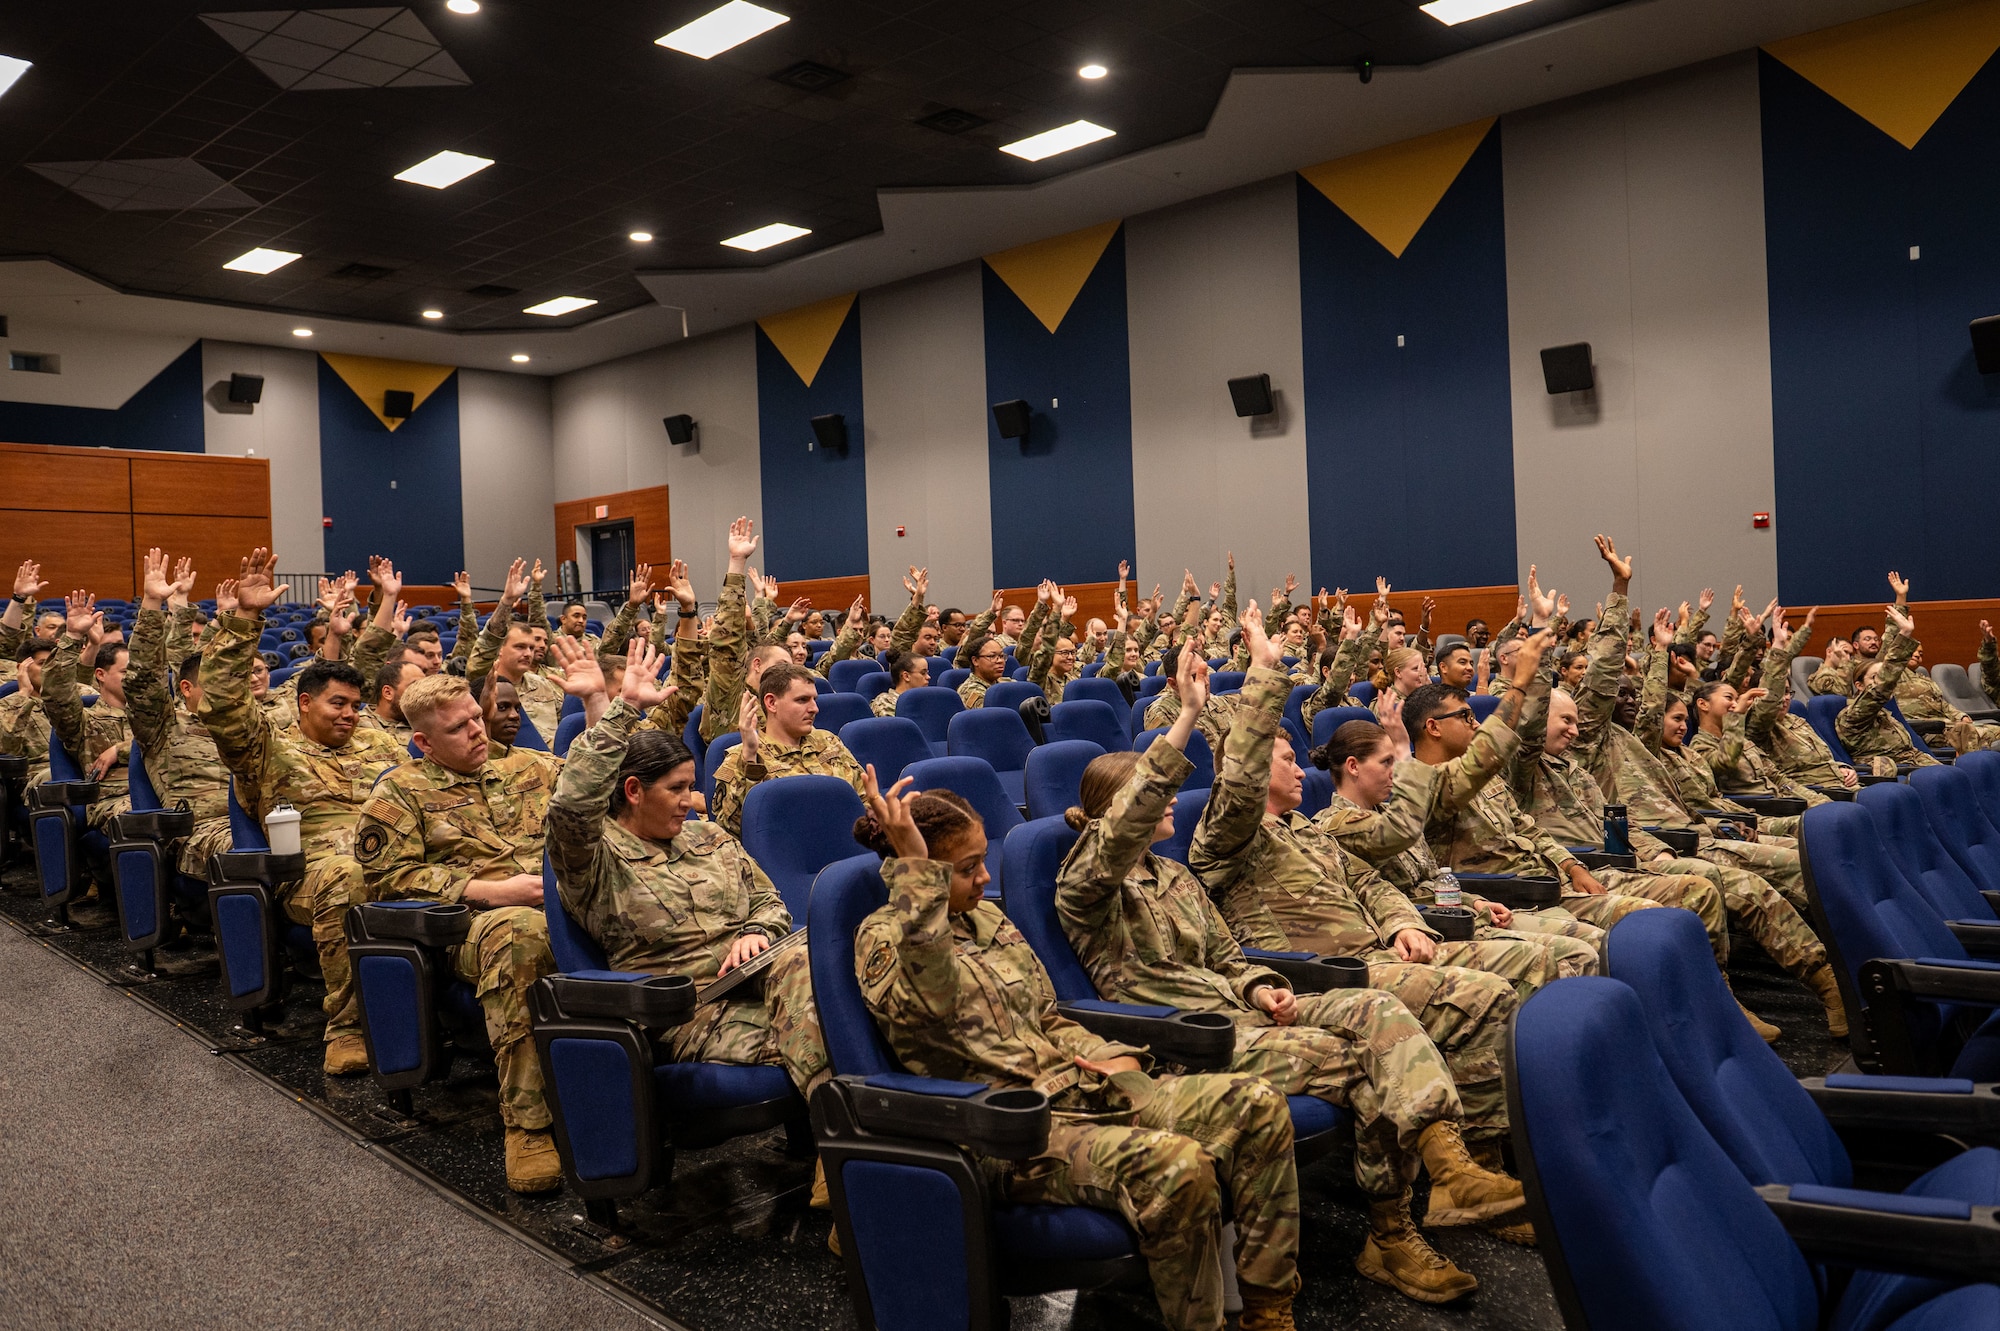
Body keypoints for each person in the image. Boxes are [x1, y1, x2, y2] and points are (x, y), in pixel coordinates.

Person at [1057, 642, 1526, 1303]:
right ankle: (1393, 1227)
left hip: (1246, 1006)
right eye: (1150, 794)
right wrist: (1196, 715)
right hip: (1189, 1037)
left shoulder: (1176, 877)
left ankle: (1443, 1170)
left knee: (1377, 1016)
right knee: (1368, 1057)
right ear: (1118, 810)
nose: (1170, 799)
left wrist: (1256, 984)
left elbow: (1226, 956)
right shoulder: (1086, 886)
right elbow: (1134, 841)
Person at [852, 773, 1303, 1331]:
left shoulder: (987, 918)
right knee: (1180, 1169)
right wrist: (917, 875)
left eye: (981, 859)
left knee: (1256, 1105)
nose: (985, 877)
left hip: (1083, 1086)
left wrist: (1110, 1053)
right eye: (967, 869)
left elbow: (1045, 1015)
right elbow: (936, 1004)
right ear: (919, 873)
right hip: (1010, 1130)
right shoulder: (884, 938)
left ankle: (1268, 1312)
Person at [1188, 608, 1554, 1228]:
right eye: (1284, 760)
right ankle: (1446, 1181)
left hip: (1377, 954)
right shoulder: (1225, 841)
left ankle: (1478, 1167)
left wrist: (1401, 923)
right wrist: (1262, 675)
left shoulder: (1307, 833)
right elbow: (1241, 782)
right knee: (1462, 997)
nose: (1298, 768)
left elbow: (1371, 883)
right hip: (1316, 972)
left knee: (1495, 989)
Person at [545, 651, 829, 1112]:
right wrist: (618, 709)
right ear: (634, 791)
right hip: (689, 1010)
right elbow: (571, 808)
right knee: (839, 1021)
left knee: (840, 987)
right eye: (676, 789)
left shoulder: (709, 835)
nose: (690, 801)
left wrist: (757, 932)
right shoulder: (596, 860)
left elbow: (769, 901)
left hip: (764, 981)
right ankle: (845, 1153)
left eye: (690, 787)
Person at [355, 671, 565, 1192]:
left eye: (477, 716)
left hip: (557, 903)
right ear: (423, 741)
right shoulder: (401, 790)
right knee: (520, 933)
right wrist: (492, 891)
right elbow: (386, 880)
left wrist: (609, 701)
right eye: (459, 728)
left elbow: (607, 780)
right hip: (468, 925)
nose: (478, 731)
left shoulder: (530, 766)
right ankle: (528, 1125)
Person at [200, 548, 407, 1075]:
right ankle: (348, 1027)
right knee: (347, 876)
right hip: (311, 872)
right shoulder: (267, 745)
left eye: (356, 706)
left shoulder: (378, 740)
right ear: (304, 703)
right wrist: (245, 619)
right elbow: (222, 702)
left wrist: (384, 603)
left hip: (397, 857)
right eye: (338, 704)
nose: (350, 714)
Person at [1313, 630, 1603, 973]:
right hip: (1430, 931)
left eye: (1397, 761)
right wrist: (1406, 752)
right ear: (1353, 767)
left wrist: (1475, 901)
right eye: (1387, 762)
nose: (1397, 771)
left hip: (1464, 913)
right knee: (1568, 957)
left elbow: (1434, 879)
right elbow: (1397, 849)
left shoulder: (1391, 808)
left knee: (1582, 950)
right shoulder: (1334, 824)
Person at [126, 549, 233, 883]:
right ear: (187, 688)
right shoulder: (164, 726)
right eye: (213, 684)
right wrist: (152, 607)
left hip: (254, 820)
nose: (226, 691)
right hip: (198, 834)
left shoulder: (244, 726)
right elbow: (143, 680)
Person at [710, 663, 867, 838]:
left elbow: (864, 799)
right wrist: (750, 758)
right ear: (771, 703)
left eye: (814, 699)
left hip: (850, 840)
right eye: (802, 700)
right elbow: (732, 831)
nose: (814, 708)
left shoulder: (828, 741)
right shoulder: (741, 758)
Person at [43, 592, 133, 831]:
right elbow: (56, 694)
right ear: (101, 675)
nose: (133, 678)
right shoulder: (85, 721)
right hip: (115, 801)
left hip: (164, 795)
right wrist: (73, 636)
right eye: (125, 672)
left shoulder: (151, 717)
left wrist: (121, 749)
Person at [467, 558, 569, 741]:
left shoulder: (543, 684)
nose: (528, 653)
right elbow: (487, 645)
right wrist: (506, 602)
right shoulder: (485, 684)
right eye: (520, 647)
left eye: (531, 647)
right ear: (499, 649)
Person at [1836, 605, 1941, 772]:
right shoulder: (1853, 716)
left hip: (1917, 765)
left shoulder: (1885, 714)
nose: (1883, 683)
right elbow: (1881, 686)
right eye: (1874, 678)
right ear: (1859, 686)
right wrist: (1904, 635)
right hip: (1893, 775)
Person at [359, 658, 421, 747]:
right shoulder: (355, 725)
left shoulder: (426, 726)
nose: (422, 692)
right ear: (388, 693)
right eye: (414, 686)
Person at [870, 648, 929, 717]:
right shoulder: (885, 702)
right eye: (923, 673)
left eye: (927, 673)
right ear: (906, 676)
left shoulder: (926, 700)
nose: (928, 677)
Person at [958, 633, 1008, 709]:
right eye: (992, 656)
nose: (1000, 661)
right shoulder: (971, 691)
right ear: (975, 661)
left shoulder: (1006, 682)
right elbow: (991, 717)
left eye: (1001, 656)